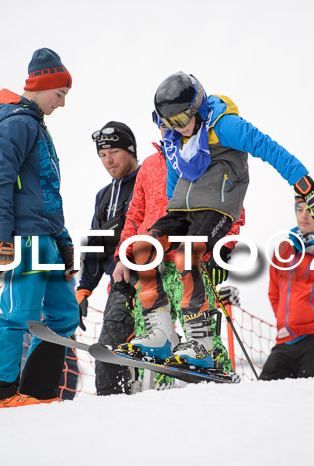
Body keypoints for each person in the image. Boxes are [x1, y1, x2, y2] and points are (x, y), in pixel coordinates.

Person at [116, 71, 314, 368]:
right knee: (143, 249)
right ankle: (161, 332)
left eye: (179, 121)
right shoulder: (176, 135)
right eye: (166, 124)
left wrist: (305, 186)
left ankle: (200, 343)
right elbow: (176, 177)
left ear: (198, 109)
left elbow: (269, 149)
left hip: (218, 208)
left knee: (187, 256)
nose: (175, 129)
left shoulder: (225, 125)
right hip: (182, 210)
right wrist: (165, 217)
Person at [0, 47, 80, 409]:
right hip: (26, 238)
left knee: (66, 314)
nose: (62, 103)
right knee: (19, 313)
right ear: (42, 86)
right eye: (60, 94)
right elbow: (0, 183)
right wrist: (2, 239)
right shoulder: (18, 124)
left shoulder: (36, 125)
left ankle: (37, 392)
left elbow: (48, 195)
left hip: (48, 239)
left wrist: (64, 245)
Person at [113, 112, 243, 374]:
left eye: (171, 124)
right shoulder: (149, 166)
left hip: (192, 260)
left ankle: (216, 371)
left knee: (200, 328)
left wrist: (223, 250)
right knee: (150, 330)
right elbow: (134, 216)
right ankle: (157, 385)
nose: (166, 130)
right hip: (153, 264)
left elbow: (232, 209)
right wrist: (122, 256)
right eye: (161, 125)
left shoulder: (203, 157)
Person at [75, 121, 140, 396]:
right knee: (115, 352)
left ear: (131, 150)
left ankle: (113, 406)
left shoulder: (148, 179)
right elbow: (95, 244)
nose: (108, 160)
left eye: (114, 151)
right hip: (120, 283)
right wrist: (84, 288)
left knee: (111, 349)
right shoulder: (103, 196)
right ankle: (119, 410)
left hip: (149, 277)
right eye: (102, 155)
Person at [260, 196, 314, 380]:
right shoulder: (284, 249)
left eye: (311, 210)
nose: (304, 215)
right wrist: (284, 321)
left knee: (311, 396)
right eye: (300, 210)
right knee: (263, 392)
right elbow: (274, 292)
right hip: (286, 338)